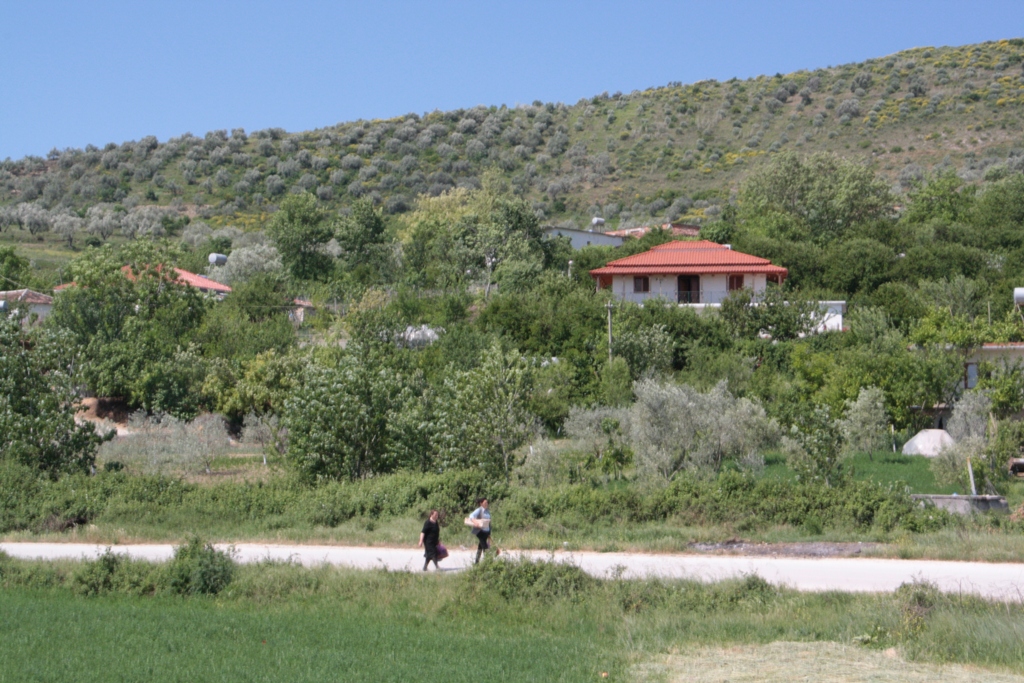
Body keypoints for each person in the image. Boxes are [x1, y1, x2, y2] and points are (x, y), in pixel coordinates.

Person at [468, 497, 499, 564]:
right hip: (480, 532)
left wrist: (489, 532)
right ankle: (488, 563)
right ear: (481, 503)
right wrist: (475, 522)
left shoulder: (487, 511)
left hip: (486, 532)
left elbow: (488, 522)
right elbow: (471, 516)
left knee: (480, 547)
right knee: (485, 547)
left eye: (487, 502)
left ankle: (476, 562)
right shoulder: (479, 510)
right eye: (485, 502)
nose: (486, 504)